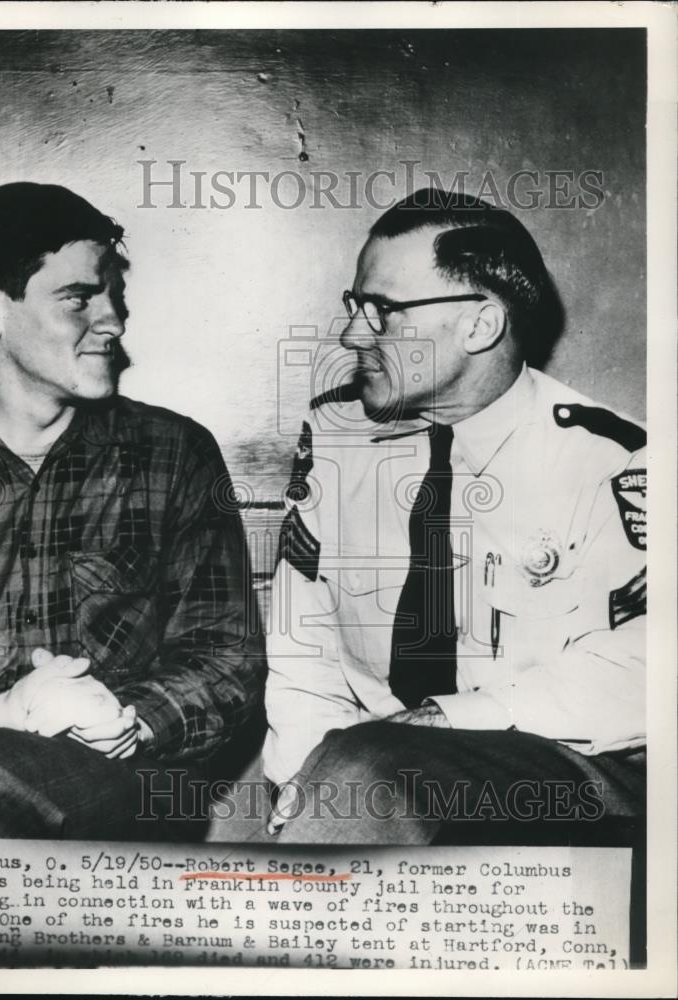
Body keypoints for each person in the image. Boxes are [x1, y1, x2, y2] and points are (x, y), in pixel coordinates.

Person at [0, 182, 265, 839]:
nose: (112, 319)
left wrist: (130, 719)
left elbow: (227, 656)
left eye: (114, 294)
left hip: (125, 792)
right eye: (79, 298)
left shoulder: (173, 455)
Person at [263, 188, 646, 843]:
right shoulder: (336, 438)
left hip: (571, 777)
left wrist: (451, 719)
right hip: (373, 784)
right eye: (355, 306)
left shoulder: (610, 459)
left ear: (480, 324)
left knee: (371, 772)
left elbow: (649, 666)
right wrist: (301, 792)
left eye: (383, 310)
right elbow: (305, 654)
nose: (353, 333)